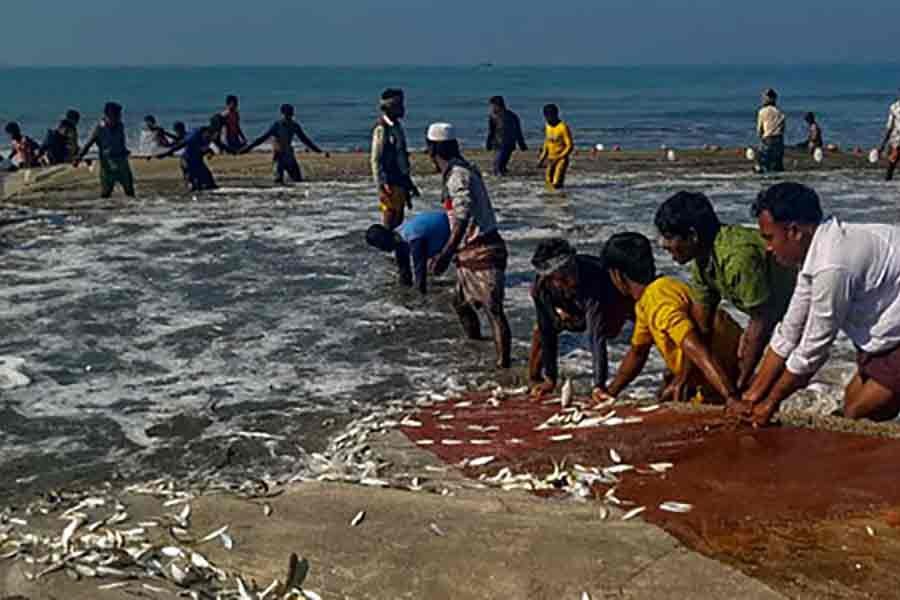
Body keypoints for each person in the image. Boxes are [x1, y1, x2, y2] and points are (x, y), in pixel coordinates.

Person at [740, 183, 900, 426]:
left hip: (894, 330)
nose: (768, 248)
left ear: (794, 231)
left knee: (857, 415)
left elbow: (812, 350)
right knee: (850, 401)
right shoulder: (815, 253)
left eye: (770, 238)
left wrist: (771, 403)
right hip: (886, 329)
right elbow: (789, 331)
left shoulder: (831, 266)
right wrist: (752, 397)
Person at [655, 191, 796, 390]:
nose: (664, 245)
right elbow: (702, 327)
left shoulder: (736, 259)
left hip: (806, 303)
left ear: (693, 236)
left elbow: (762, 324)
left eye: (669, 238)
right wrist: (683, 377)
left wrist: (740, 383)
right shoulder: (702, 261)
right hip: (777, 314)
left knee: (769, 385)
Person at [603, 232, 743, 406]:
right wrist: (610, 393)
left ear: (616, 275)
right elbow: (638, 352)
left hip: (735, 375)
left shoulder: (657, 298)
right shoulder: (655, 294)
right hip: (726, 369)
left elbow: (695, 344)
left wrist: (731, 396)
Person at [427, 122, 511, 369]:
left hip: (483, 248)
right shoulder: (462, 170)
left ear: (433, 150)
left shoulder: (457, 176)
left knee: (493, 309)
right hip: (473, 250)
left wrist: (445, 253)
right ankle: (478, 346)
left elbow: (462, 217)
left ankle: (503, 366)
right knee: (461, 303)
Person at [529, 238, 634, 403]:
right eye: (563, 276)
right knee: (540, 333)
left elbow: (595, 335)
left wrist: (598, 384)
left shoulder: (591, 276)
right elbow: (546, 330)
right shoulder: (541, 289)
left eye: (571, 270)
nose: (571, 277)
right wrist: (551, 379)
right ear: (550, 279)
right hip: (572, 306)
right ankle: (535, 380)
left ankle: (608, 388)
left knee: (628, 331)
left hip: (612, 300)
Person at [365, 211, 450, 294]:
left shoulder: (412, 238)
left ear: (385, 238)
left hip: (453, 228)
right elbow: (404, 273)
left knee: (434, 268)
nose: (382, 249)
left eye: (381, 245)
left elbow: (420, 271)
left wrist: (419, 301)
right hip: (439, 232)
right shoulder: (398, 237)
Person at [241, 104, 327, 185]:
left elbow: (305, 140)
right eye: (288, 114)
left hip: (289, 157)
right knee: (279, 181)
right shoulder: (278, 125)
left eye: (290, 114)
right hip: (280, 157)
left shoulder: (294, 125)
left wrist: (319, 151)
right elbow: (262, 138)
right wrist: (247, 149)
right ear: (283, 114)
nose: (289, 116)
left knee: (298, 181)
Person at [371, 88, 418, 230]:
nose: (403, 109)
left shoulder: (397, 126)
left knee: (399, 218)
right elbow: (376, 159)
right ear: (390, 108)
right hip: (389, 182)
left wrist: (408, 182)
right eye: (399, 105)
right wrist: (380, 184)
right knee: (390, 217)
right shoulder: (382, 128)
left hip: (399, 180)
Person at [74, 102, 135, 198]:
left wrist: (125, 150)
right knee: (105, 195)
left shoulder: (120, 126)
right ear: (107, 115)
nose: (118, 118)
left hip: (122, 164)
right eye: (116, 116)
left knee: (130, 192)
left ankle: (133, 211)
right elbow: (88, 144)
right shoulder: (99, 128)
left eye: (119, 115)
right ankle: (103, 211)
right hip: (107, 166)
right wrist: (78, 158)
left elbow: (121, 141)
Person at [154, 115, 226, 191]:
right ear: (214, 124)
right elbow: (182, 143)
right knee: (193, 187)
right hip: (187, 161)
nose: (222, 128)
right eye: (220, 125)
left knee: (211, 185)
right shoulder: (199, 132)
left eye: (222, 126)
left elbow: (220, 144)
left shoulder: (215, 134)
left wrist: (235, 150)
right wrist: (165, 154)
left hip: (198, 162)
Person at [486, 96, 527, 176]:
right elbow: (491, 131)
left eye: (492, 106)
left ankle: (504, 181)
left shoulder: (511, 116)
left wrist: (521, 143)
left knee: (499, 166)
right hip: (500, 143)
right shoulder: (494, 116)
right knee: (499, 165)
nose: (491, 108)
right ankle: (504, 179)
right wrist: (488, 142)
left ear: (497, 105)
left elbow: (518, 130)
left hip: (507, 144)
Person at [537, 104, 574, 190]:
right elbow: (547, 143)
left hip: (561, 159)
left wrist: (559, 157)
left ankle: (561, 200)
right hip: (551, 158)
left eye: (550, 116)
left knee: (556, 182)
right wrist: (542, 158)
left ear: (556, 115)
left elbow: (570, 146)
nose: (548, 119)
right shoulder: (547, 126)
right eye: (546, 116)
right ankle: (550, 201)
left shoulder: (563, 127)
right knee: (548, 181)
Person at [756, 88, 786, 173]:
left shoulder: (762, 111)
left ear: (768, 98)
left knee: (764, 163)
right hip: (779, 140)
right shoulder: (780, 112)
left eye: (764, 97)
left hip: (768, 139)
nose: (762, 99)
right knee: (777, 164)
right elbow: (783, 128)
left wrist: (761, 139)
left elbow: (759, 130)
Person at [878, 90, 900, 181]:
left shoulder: (894, 107)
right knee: (891, 163)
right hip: (897, 141)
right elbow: (889, 128)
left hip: (896, 140)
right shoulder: (894, 107)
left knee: (891, 164)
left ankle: (887, 186)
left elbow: (889, 128)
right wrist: (881, 146)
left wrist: (881, 146)